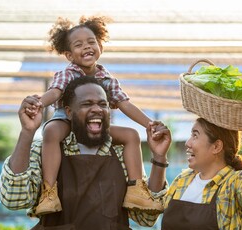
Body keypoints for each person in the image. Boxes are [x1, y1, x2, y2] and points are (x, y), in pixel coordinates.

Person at [0, 76, 171, 230]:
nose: (96, 109)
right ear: (69, 112)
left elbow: (146, 218)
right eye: (87, 104)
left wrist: (159, 157)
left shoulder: (121, 153)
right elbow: (14, 199)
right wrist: (27, 132)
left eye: (103, 104)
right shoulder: (46, 150)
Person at [26, 15, 162, 215]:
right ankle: (49, 192)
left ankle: (136, 189)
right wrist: (38, 104)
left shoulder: (106, 78)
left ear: (100, 46)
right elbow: (55, 92)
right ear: (69, 55)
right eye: (79, 45)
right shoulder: (68, 73)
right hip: (67, 119)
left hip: (96, 124)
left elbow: (125, 104)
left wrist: (150, 124)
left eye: (91, 42)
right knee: (51, 131)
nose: (87, 47)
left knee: (131, 135)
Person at [142, 97, 242, 230]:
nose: (188, 143)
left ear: (216, 146)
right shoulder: (183, 180)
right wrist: (159, 157)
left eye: (195, 135)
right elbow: (148, 214)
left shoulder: (231, 186)